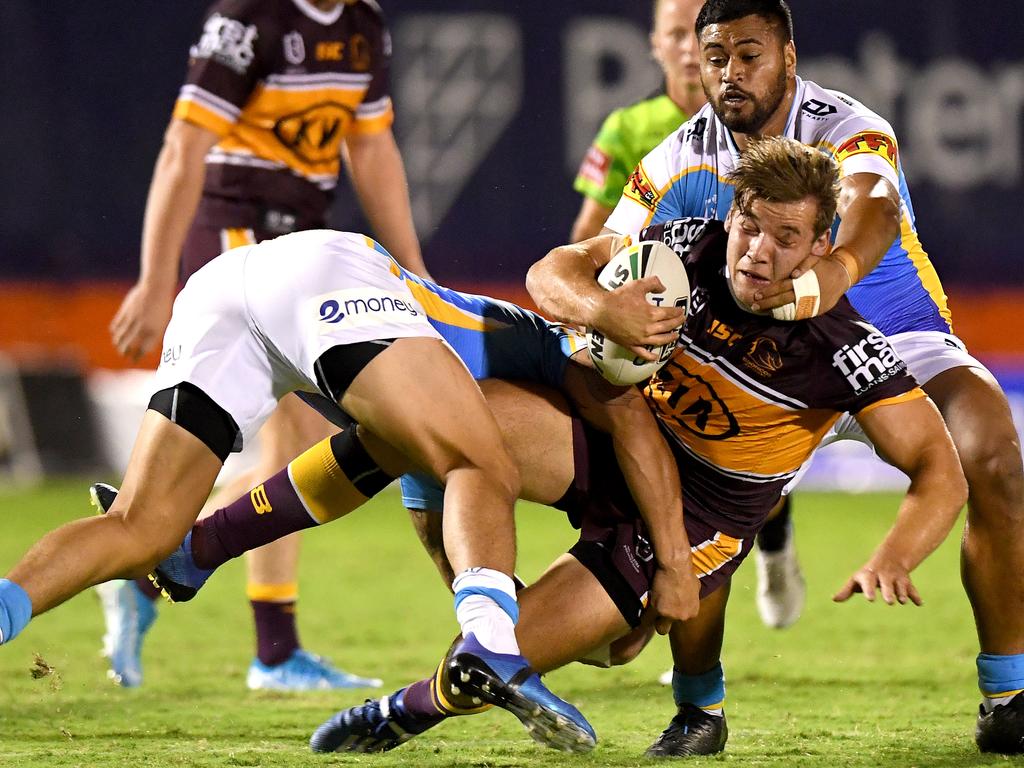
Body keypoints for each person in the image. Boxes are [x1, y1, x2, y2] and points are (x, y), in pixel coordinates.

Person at [101, 139, 966, 756]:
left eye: (786, 238)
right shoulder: (687, 254)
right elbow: (552, 272)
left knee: (553, 652)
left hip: (697, 518)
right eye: (750, 225)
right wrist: (600, 310)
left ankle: (410, 709)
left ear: (823, 248)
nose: (756, 250)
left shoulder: (846, 349)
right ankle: (199, 546)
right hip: (605, 441)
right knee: (432, 424)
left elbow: (938, 472)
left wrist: (894, 553)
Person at [527, 0, 1024, 756]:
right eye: (715, 56)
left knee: (992, 451)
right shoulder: (673, 161)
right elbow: (589, 261)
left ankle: (1009, 691)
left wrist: (821, 284)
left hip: (893, 338)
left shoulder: (845, 125)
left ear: (789, 56)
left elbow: (874, 212)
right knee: (692, 506)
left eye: (749, 54)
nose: (730, 73)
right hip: (758, 374)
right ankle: (700, 710)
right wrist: (600, 312)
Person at [0, 230, 623, 754]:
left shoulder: (426, 402)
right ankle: (493, 647)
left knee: (139, 528)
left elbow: (384, 483)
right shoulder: (557, 350)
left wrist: (515, 616)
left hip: (225, 288)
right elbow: (604, 424)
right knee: (483, 460)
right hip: (333, 276)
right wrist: (505, 632)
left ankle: (20, 602)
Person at [100, 0, 430, 690]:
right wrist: (156, 279)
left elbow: (370, 146)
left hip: (302, 237)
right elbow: (183, 148)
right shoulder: (251, 18)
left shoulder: (363, 23)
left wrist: (415, 270)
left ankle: (147, 555)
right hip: (233, 231)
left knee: (306, 455)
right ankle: (272, 650)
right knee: (289, 446)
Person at [570, 0, 707, 243]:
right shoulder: (625, 128)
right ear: (656, 45)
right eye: (677, 34)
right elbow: (587, 238)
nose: (691, 47)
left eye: (702, 32)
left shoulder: (747, 121)